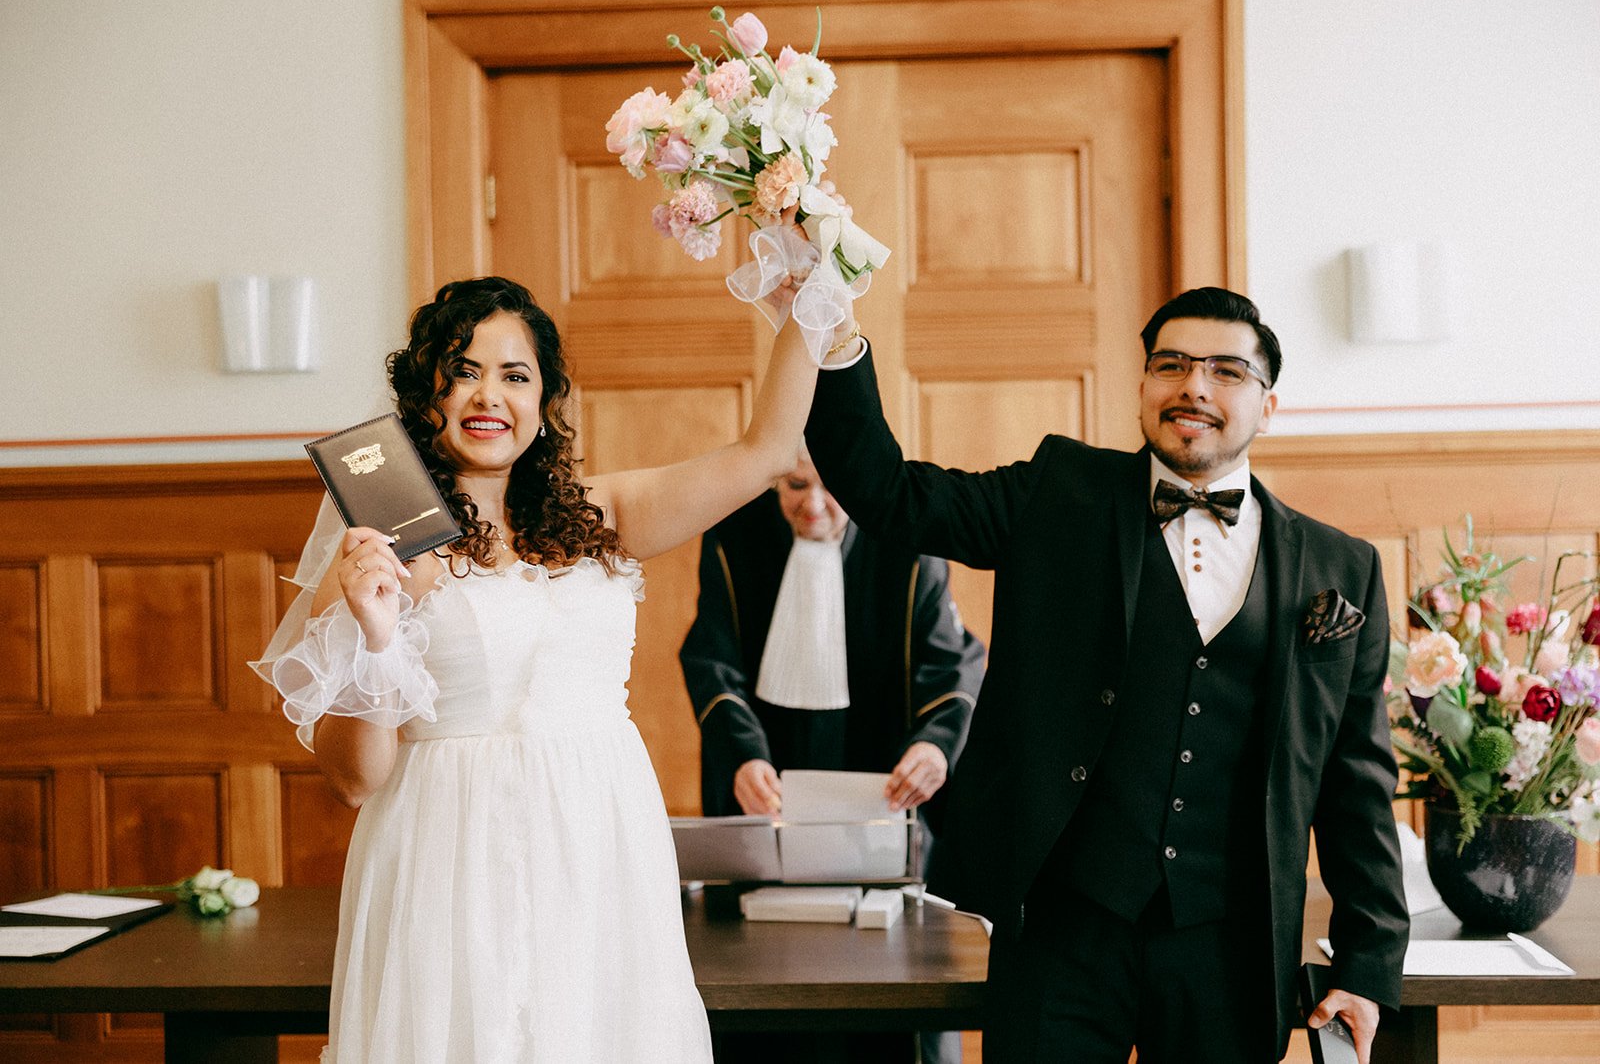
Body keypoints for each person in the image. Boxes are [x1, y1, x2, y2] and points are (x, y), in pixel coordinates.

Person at [801, 287, 1408, 1063]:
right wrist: (830, 323)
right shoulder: (1059, 492)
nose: (1194, 385)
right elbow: (891, 492)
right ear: (1144, 383)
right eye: (1172, 364)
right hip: (1064, 930)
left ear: (1268, 403)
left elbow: (1357, 783)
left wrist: (1366, 963)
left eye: (1226, 370)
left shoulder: (1340, 566)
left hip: (1229, 946)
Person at [252, 273, 844, 1063]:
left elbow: (766, 449)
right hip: (447, 854)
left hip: (599, 845)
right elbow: (356, 779)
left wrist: (809, 298)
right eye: (462, 370)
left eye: (514, 375)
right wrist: (376, 634)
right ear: (424, 394)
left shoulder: (607, 513)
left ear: (543, 402)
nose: (486, 394)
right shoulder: (380, 546)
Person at [680, 450, 986, 1064]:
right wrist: (742, 757)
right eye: (795, 485)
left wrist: (933, 746)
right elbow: (710, 660)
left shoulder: (906, 535)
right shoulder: (733, 536)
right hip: (769, 794)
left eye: (832, 486)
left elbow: (953, 662)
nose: (812, 505)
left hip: (877, 788)